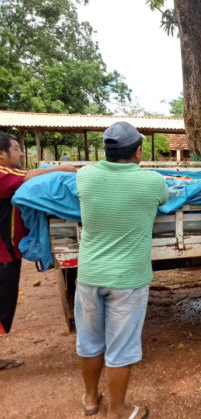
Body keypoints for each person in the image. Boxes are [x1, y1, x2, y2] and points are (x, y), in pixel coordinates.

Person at [75, 122, 168, 418]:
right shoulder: (152, 182)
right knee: (121, 346)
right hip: (128, 279)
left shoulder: (85, 176)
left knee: (89, 341)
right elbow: (166, 199)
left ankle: (90, 399)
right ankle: (118, 409)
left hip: (89, 275)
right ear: (138, 151)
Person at [0, 132, 76, 370]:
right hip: (2, 255)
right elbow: (28, 176)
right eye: (16, 148)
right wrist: (65, 168)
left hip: (6, 253)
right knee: (2, 301)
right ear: (1, 154)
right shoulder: (3, 174)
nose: (21, 152)